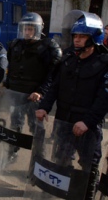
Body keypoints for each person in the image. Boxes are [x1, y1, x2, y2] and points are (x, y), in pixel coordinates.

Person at [35, 11, 108, 200]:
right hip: (63, 121)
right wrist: (44, 106)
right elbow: (54, 86)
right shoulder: (68, 59)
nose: (77, 40)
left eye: (82, 36)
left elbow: (104, 98)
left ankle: (86, 197)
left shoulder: (104, 63)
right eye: (75, 36)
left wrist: (88, 122)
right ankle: (59, 194)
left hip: (86, 126)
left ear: (94, 38)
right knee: (61, 160)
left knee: (89, 166)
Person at [4, 12, 62, 161]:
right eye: (25, 29)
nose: (27, 32)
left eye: (30, 29)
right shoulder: (15, 45)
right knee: (15, 124)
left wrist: (41, 92)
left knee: (36, 129)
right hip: (17, 93)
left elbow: (53, 75)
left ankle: (38, 158)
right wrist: (6, 84)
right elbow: (11, 68)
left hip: (34, 96)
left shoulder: (48, 47)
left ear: (37, 29)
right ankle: (12, 152)